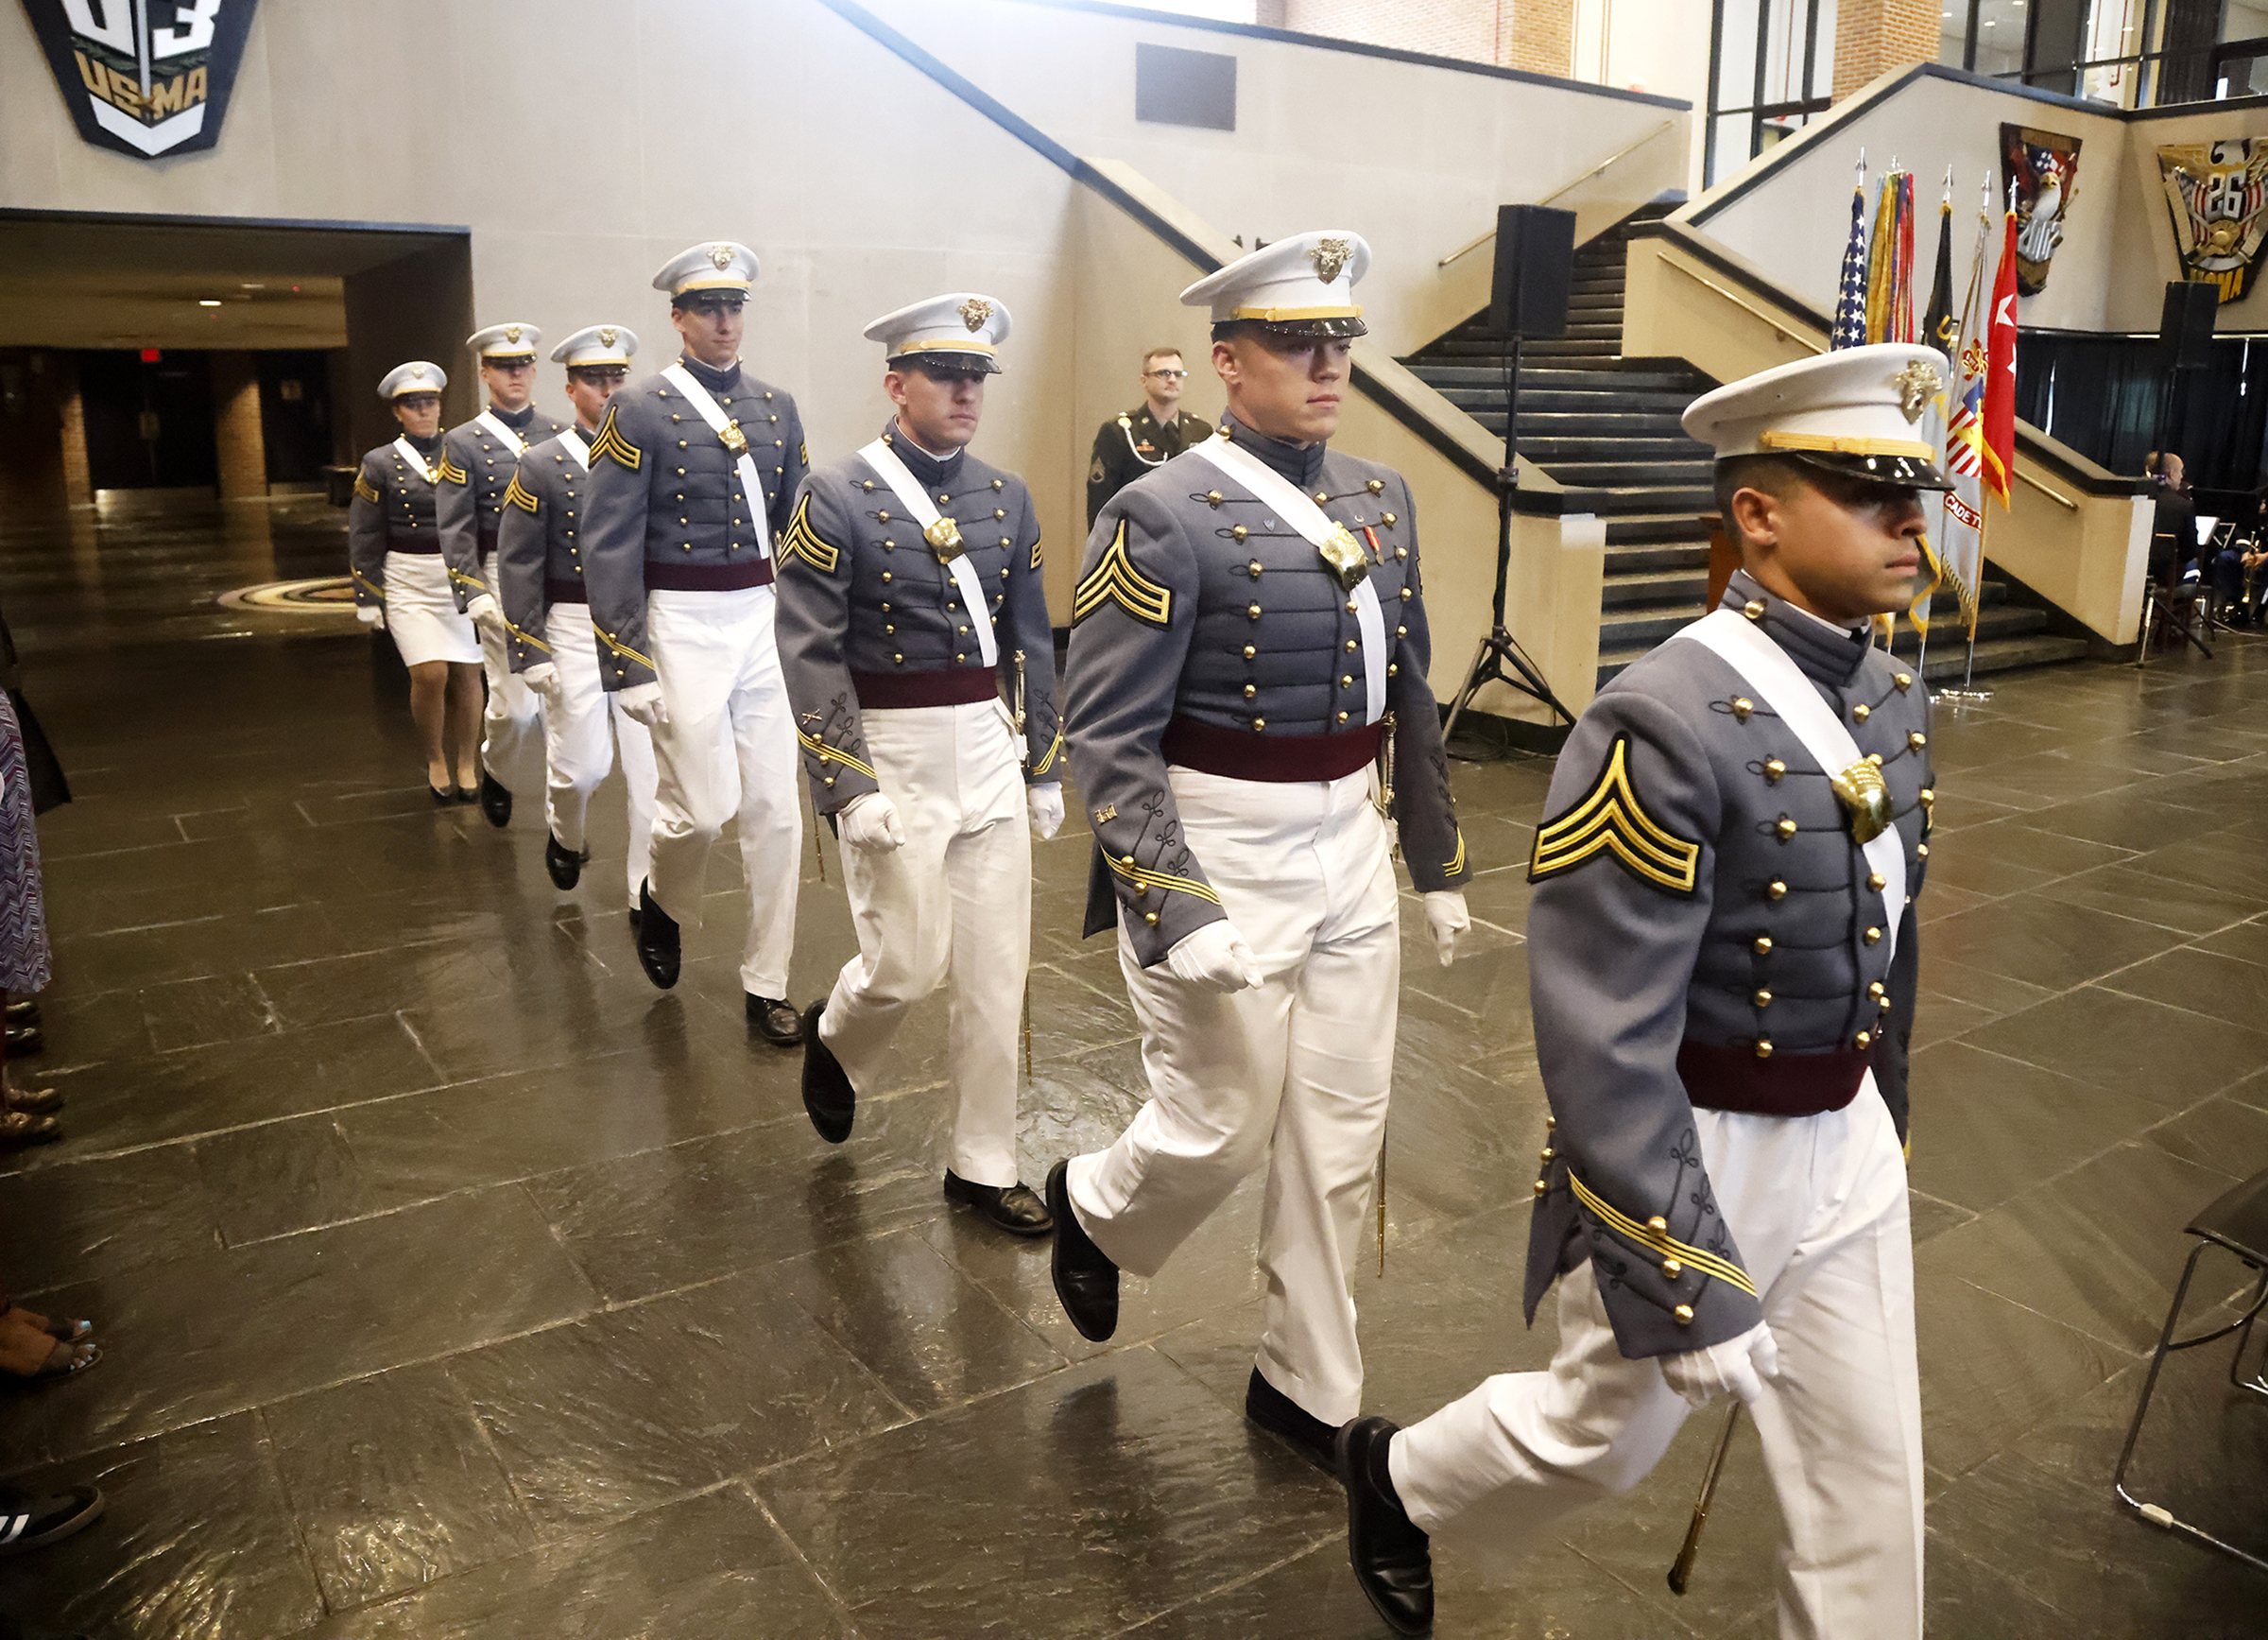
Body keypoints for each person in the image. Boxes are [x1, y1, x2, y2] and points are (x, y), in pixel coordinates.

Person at [1341, 343, 1942, 1640]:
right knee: (1602, 1438)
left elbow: (1890, 936)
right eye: (1867, 491)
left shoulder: (1895, 693)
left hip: (1845, 1139)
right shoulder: (1657, 717)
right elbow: (1603, 1033)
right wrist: (1681, 1258)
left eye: (1916, 491)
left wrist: (1881, 1118)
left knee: (1873, 1492)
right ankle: (1400, 1476)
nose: (1912, 520)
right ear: (1759, 514)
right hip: (1701, 1143)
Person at [1047, 232, 1471, 1471]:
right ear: (1230, 364)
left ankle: (1307, 1384)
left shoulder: (1381, 497)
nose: (1328, 363)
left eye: (1340, 341)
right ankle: (1094, 1204)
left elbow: (1410, 689)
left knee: (1343, 1129)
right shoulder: (1159, 511)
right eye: (1296, 343)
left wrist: (1434, 860)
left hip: (1350, 836)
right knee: (1223, 1120)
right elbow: (1108, 732)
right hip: (1218, 840)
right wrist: (1175, 901)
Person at [778, 292, 1062, 1237]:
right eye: (947, 374)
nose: (967, 391)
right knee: (905, 964)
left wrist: (1046, 761)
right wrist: (845, 780)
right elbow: (809, 645)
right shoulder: (836, 493)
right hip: (890, 748)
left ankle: (983, 1164)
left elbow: (1031, 637)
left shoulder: (1006, 495)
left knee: (995, 970)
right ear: (896, 383)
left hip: (985, 739)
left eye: (978, 375)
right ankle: (838, 1031)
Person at [579, 242, 809, 1045]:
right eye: (707, 307)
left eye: (734, 306)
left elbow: (796, 534)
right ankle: (662, 898)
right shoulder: (637, 407)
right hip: (679, 619)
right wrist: (626, 655)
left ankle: (767, 981)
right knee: (703, 812)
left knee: (780, 811)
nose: (723, 320)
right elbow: (607, 539)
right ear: (677, 318)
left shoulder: (778, 408)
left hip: (761, 617)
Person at [492, 324, 660, 911]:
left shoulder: (650, 453)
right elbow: (517, 563)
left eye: (618, 377)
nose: (609, 389)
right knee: (584, 768)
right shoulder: (542, 464)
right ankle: (565, 834)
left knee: (653, 777)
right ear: (570, 389)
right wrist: (528, 647)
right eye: (595, 379)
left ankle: (646, 893)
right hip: (570, 620)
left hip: (640, 625)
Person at [438, 323, 568, 830]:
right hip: (497, 574)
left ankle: (565, 825)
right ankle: (496, 767)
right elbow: (455, 525)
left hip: (556, 577)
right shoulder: (463, 442)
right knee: (515, 712)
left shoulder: (559, 434)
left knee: (561, 709)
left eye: (523, 365)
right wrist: (472, 592)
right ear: (486, 373)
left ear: (535, 371)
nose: (515, 374)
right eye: (503, 366)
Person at [348, 363, 485, 801]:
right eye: (413, 404)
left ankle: (466, 759)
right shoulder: (379, 462)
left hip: (457, 574)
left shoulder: (461, 450)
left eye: (430, 402)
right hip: (407, 577)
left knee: (468, 673)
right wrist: (368, 593)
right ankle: (434, 756)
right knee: (429, 673)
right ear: (398, 411)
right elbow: (365, 531)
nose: (424, 411)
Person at [1086, 346, 1214, 527]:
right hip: (1140, 538)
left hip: (1191, 538)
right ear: (1144, 381)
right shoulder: (1120, 432)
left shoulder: (1200, 431)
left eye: (1178, 374)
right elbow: (1101, 504)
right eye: (1163, 373)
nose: (1172, 380)